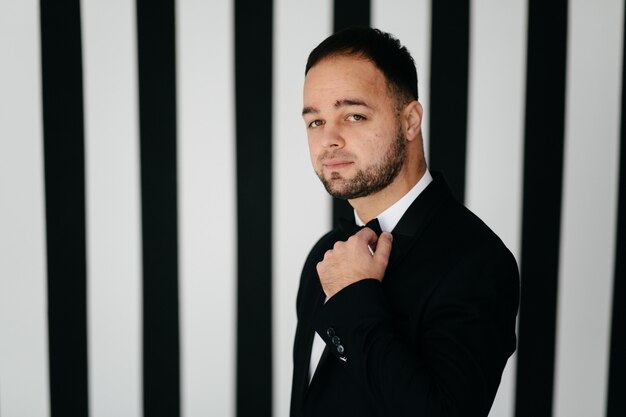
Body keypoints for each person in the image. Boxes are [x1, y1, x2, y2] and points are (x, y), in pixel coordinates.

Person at [290, 27, 520, 417]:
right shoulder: (326, 253)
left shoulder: (478, 262)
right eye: (315, 122)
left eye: (354, 115)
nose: (329, 138)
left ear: (410, 120)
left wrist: (352, 296)